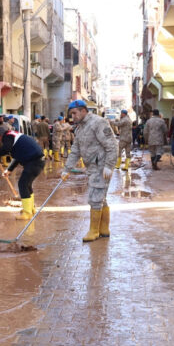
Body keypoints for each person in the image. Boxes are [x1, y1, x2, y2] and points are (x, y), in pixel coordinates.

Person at [61, 100, 117, 242]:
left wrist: (109, 166)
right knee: (100, 198)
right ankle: (103, 229)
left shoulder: (98, 123)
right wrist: (67, 168)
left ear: (83, 110)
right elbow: (75, 150)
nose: (72, 116)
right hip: (92, 167)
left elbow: (112, 145)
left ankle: (94, 231)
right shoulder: (79, 128)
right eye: (71, 114)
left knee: (95, 197)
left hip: (102, 167)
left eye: (74, 113)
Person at [0, 129, 45, 220]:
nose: (0, 140)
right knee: (27, 184)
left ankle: (27, 213)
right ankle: (31, 208)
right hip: (38, 161)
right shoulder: (14, 136)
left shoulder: (7, 136)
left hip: (34, 161)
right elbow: (18, 157)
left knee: (23, 184)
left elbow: (6, 149)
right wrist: (9, 170)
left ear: (0, 136)